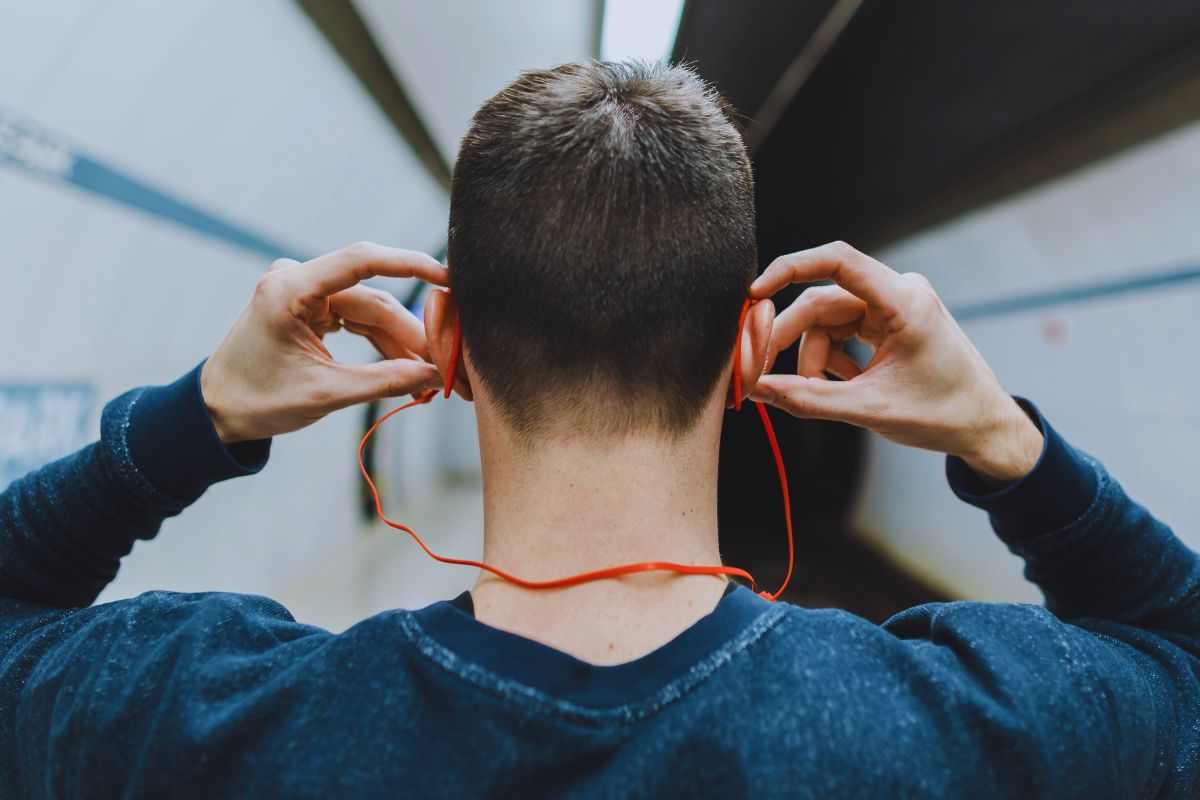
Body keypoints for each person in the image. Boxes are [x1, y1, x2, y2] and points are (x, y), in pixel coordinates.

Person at [1, 61, 1196, 799]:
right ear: (746, 348)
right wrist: (1006, 442)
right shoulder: (972, 728)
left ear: (449, 343)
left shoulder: (213, 725)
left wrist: (191, 417)